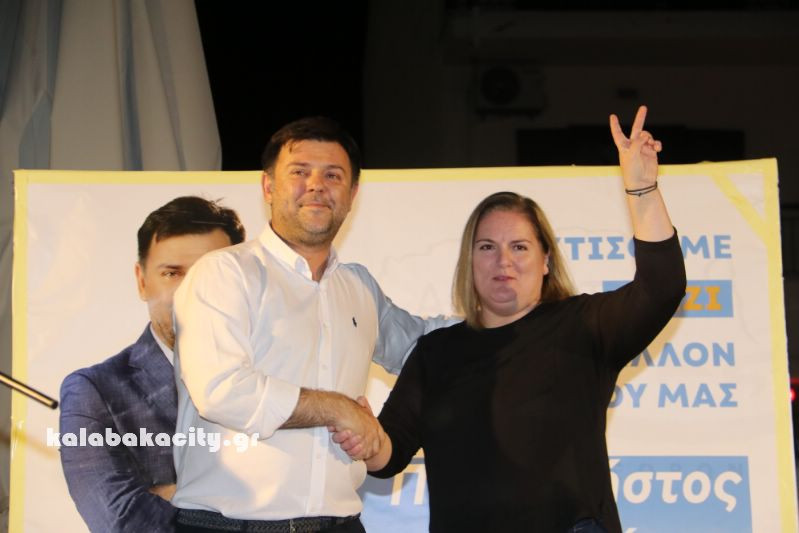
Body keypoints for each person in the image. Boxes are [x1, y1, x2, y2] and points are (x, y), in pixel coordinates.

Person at [337, 106, 687, 532]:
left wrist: (642, 188)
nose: (503, 260)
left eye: (519, 247)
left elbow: (662, 287)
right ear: (469, 261)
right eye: (487, 247)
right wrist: (368, 438)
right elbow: (389, 455)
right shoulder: (436, 352)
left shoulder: (584, 326)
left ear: (546, 260)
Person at [170, 117, 452, 532]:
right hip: (229, 525)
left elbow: (424, 345)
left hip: (341, 523)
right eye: (300, 172)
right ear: (268, 186)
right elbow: (222, 391)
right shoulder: (225, 273)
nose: (316, 186)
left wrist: (513, 318)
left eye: (333, 175)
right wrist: (338, 409)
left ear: (352, 194)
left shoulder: (358, 286)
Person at [59, 196, 246, 533]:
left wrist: (172, 494)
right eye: (172, 273)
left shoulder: (281, 374)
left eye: (209, 273)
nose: (191, 291)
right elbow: (124, 522)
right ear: (142, 280)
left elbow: (312, 499)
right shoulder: (94, 391)